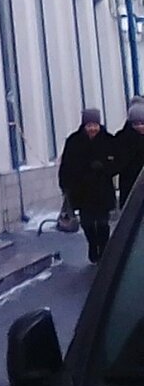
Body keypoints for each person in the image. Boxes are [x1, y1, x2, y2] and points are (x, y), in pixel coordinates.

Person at [59, 108, 117, 263]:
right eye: (89, 125)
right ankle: (92, 244)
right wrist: (65, 185)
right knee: (87, 223)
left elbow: (116, 162)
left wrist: (105, 166)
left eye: (95, 125)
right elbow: (66, 165)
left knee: (103, 223)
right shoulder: (74, 141)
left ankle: (103, 249)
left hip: (102, 190)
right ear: (84, 125)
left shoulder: (107, 140)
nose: (92, 129)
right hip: (82, 191)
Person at [117, 99, 144, 209]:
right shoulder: (124, 139)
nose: (140, 127)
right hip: (131, 185)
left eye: (142, 123)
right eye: (136, 124)